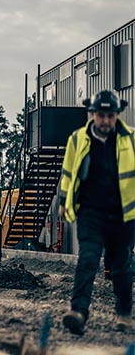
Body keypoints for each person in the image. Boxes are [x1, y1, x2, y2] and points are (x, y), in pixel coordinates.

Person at [58, 90, 135, 335]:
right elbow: (68, 172)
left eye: (110, 116)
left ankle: (124, 314)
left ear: (117, 115)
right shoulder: (77, 139)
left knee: (122, 266)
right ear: (92, 114)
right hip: (90, 213)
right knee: (88, 260)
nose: (105, 121)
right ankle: (78, 312)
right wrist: (63, 200)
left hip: (123, 215)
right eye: (101, 115)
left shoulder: (130, 139)